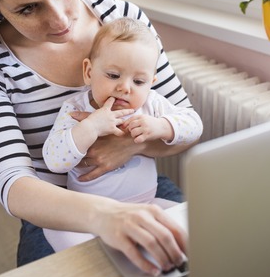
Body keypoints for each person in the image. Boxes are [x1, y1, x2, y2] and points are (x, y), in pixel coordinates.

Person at [0, 0, 195, 276]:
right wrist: (106, 216)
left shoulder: (124, 19)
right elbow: (14, 186)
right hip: (56, 213)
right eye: (28, 8)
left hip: (143, 192)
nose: (61, 20)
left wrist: (129, 145)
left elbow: (187, 127)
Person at [42, 17, 203, 251]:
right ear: (89, 71)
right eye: (113, 75)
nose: (125, 87)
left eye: (138, 81)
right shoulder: (76, 109)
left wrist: (161, 126)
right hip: (89, 214)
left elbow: (194, 124)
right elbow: (54, 161)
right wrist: (91, 127)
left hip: (144, 204)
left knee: (189, 226)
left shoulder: (151, 104)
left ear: (151, 83)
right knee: (55, 229)